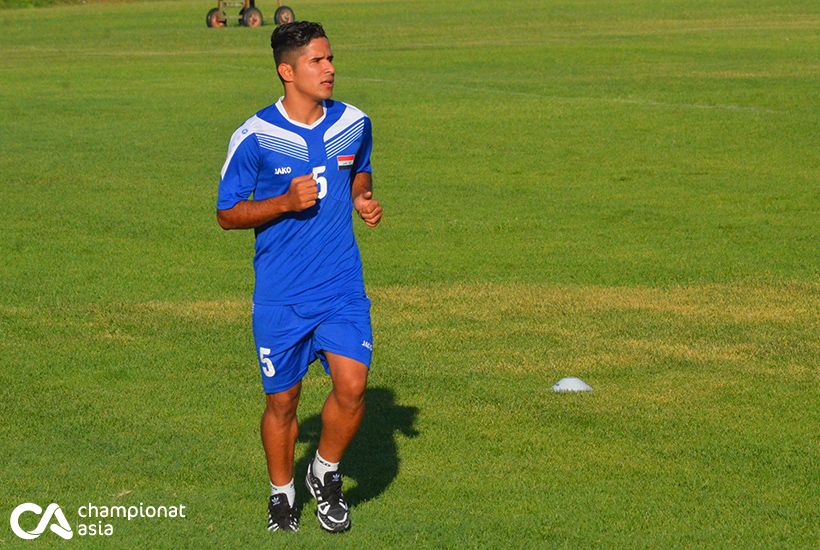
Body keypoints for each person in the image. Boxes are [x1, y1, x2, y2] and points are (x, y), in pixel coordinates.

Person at [215, 21, 382, 534]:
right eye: (317, 61)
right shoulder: (255, 137)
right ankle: (281, 492)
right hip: (281, 297)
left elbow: (360, 166)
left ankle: (325, 473)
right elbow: (226, 213)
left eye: (330, 59)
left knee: (353, 387)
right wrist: (285, 203)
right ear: (287, 71)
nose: (330, 69)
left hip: (341, 289)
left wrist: (361, 196)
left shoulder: (355, 121)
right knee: (282, 402)